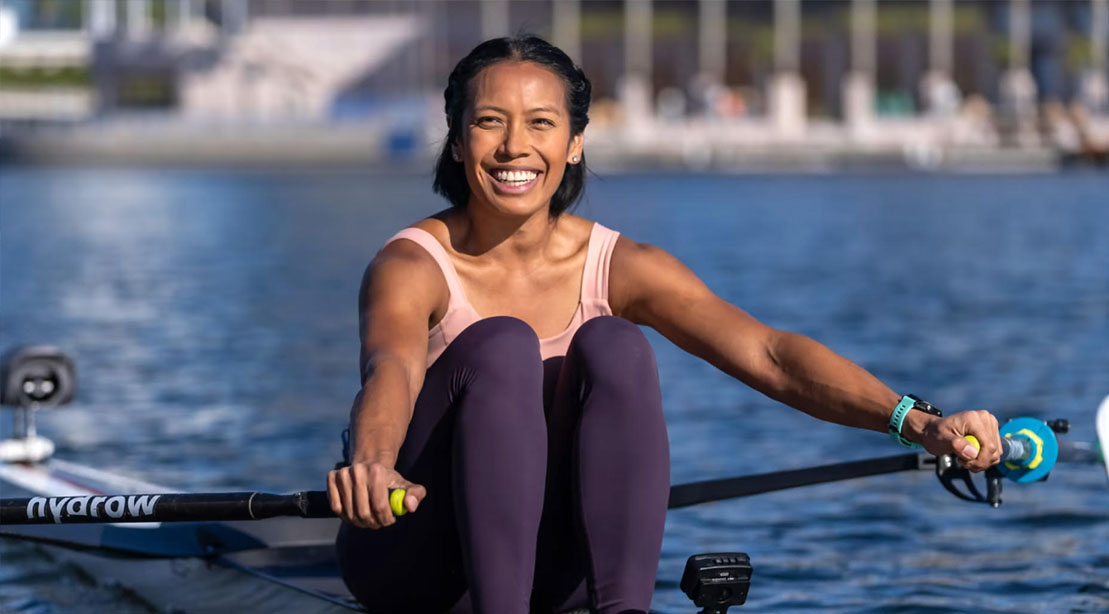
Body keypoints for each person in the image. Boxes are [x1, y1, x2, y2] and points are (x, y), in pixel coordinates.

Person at [326, 35, 1003, 614]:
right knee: (502, 343)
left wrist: (916, 422)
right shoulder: (412, 264)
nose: (513, 148)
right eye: (489, 122)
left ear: (574, 143)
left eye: (539, 123)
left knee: (615, 343)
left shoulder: (622, 265)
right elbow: (391, 368)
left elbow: (767, 355)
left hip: (554, 575)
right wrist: (371, 462)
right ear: (455, 140)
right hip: (418, 560)